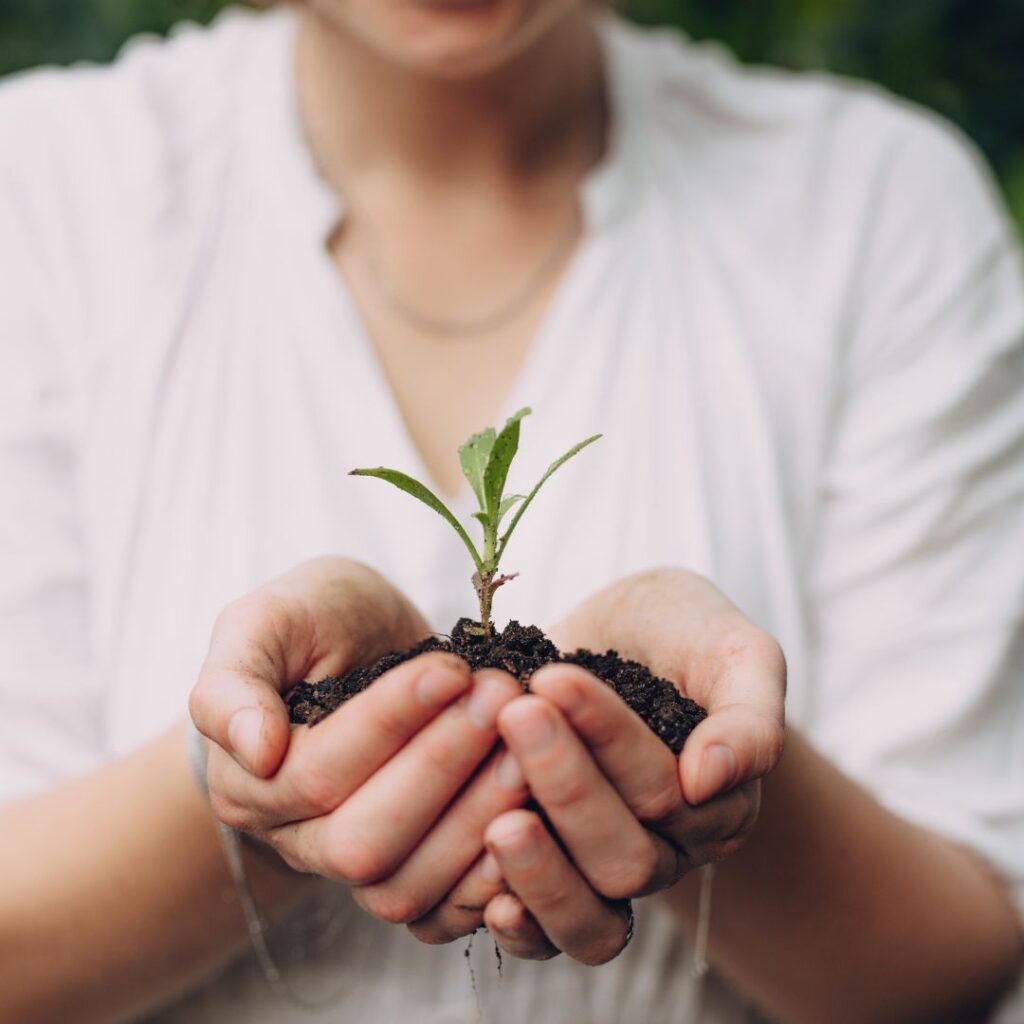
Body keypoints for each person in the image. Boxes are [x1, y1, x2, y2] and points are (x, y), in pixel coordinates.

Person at [1, 0, 1022, 1021]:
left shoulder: (872, 207)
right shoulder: (46, 194)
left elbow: (956, 962)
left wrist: (712, 771)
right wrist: (252, 788)